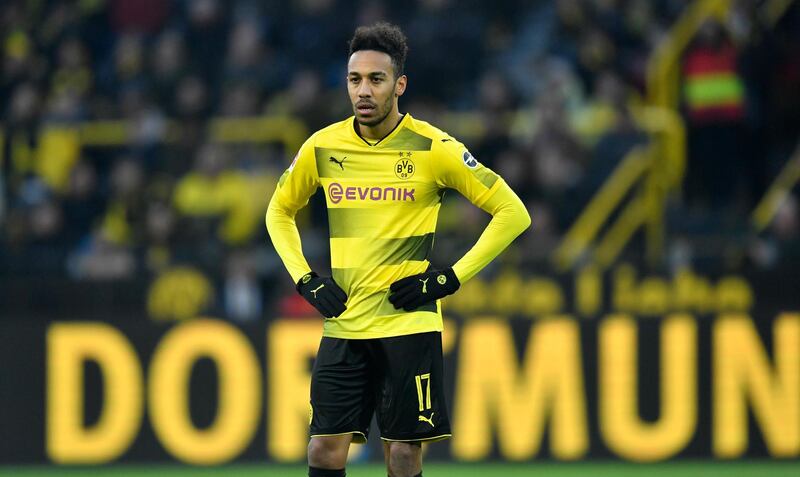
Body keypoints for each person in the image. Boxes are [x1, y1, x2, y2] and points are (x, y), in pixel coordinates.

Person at [266, 22, 530, 477]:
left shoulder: (433, 147)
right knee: (322, 450)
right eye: (354, 80)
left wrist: (449, 278)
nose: (363, 91)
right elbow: (278, 211)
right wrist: (305, 279)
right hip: (345, 324)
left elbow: (513, 212)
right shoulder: (323, 147)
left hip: (408, 324)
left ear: (399, 85)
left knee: (404, 455)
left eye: (376, 79)